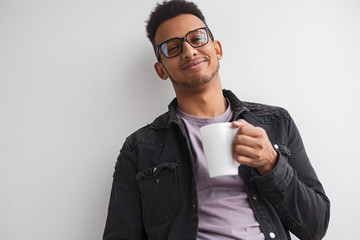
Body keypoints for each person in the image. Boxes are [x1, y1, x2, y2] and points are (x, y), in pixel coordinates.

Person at [103, 0, 330, 239]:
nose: (189, 51)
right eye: (173, 47)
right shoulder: (140, 149)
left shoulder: (275, 123)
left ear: (217, 49)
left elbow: (315, 227)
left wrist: (271, 164)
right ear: (161, 70)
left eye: (197, 39)